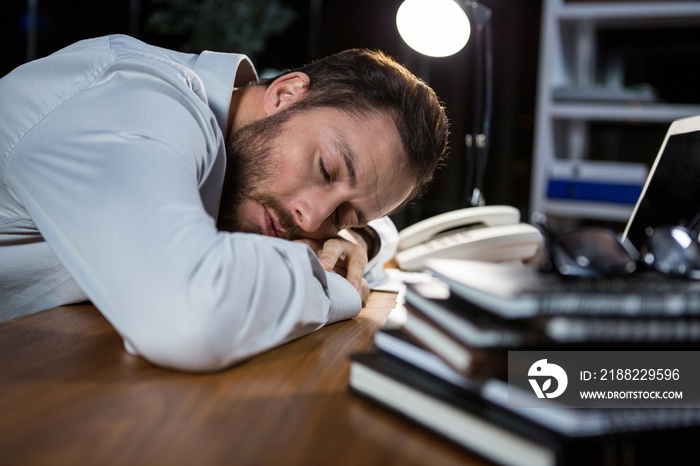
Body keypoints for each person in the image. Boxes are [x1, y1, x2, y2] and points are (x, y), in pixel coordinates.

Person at [0, 34, 449, 371]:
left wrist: (361, 236)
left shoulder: (246, 168)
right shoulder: (138, 99)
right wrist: (338, 290)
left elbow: (373, 229)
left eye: (343, 213)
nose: (312, 217)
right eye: (327, 170)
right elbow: (187, 315)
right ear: (285, 94)